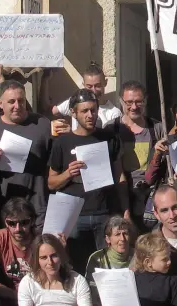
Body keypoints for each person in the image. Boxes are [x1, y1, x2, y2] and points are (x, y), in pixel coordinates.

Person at [48, 88, 130, 267]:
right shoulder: (62, 142)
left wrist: (125, 210)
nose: (90, 115)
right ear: (73, 113)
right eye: (84, 111)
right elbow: (51, 183)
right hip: (74, 216)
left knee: (107, 265)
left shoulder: (110, 138)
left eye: (93, 110)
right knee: (76, 266)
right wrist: (68, 173)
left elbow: (119, 177)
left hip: (104, 214)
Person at [0, 80, 55, 229]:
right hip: (5, 207)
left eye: (21, 101)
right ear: (0, 104)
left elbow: (54, 161)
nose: (17, 106)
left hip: (38, 205)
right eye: (11, 102)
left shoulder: (42, 124)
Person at [16, 234, 102, 306]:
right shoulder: (28, 282)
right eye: (44, 258)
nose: (50, 262)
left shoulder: (77, 280)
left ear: (61, 255)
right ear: (37, 260)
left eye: (54, 256)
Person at [113, 81, 166, 230]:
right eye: (129, 102)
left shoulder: (157, 128)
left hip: (150, 197)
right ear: (121, 102)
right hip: (120, 196)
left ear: (146, 101)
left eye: (139, 102)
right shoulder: (112, 129)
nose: (134, 107)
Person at [85, 217, 136, 306]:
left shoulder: (138, 256)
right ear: (108, 239)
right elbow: (92, 293)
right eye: (117, 234)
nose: (122, 239)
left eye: (125, 233)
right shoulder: (97, 258)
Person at [52, 63, 124, 132]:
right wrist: (64, 124)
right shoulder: (76, 102)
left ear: (105, 83)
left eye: (97, 86)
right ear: (83, 85)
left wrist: (71, 132)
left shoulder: (114, 113)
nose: (94, 90)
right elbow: (54, 111)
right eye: (89, 86)